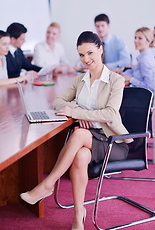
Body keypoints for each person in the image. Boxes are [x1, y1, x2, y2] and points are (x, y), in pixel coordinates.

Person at [20, 31, 132, 230]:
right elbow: (57, 101)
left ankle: (48, 185)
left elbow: (109, 114)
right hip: (88, 139)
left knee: (79, 133)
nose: (86, 59)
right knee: (80, 156)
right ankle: (79, 214)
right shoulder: (80, 80)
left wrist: (81, 114)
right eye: (81, 55)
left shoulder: (116, 80)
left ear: (101, 49)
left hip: (112, 141)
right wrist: (77, 110)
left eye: (90, 53)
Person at [122, 27, 155, 93]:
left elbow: (149, 87)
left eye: (140, 38)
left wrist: (130, 79)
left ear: (148, 41)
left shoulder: (146, 60)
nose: (135, 41)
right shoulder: (143, 58)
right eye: (135, 38)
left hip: (141, 99)